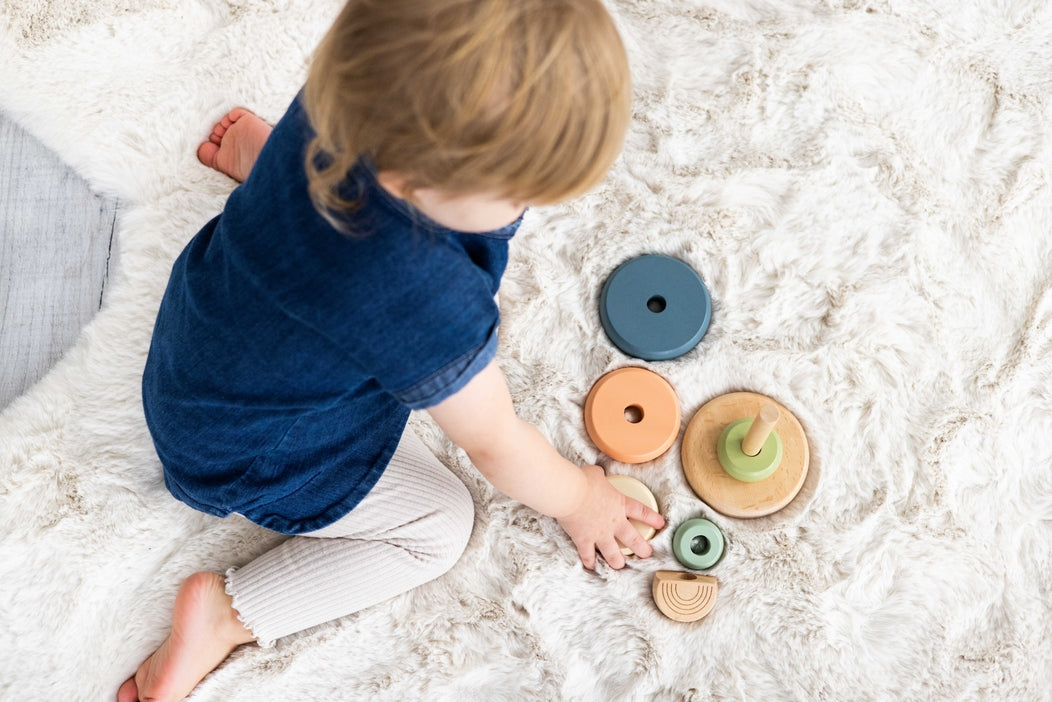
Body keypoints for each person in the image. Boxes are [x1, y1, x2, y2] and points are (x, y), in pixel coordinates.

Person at [118, 0, 665, 699]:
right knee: (440, 526)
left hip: (204, 335)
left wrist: (278, 162)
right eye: (519, 196)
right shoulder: (420, 293)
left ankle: (268, 170)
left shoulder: (357, 83)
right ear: (421, 188)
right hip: (246, 450)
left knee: (307, 223)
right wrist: (581, 497)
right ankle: (224, 615)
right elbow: (495, 442)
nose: (524, 210)